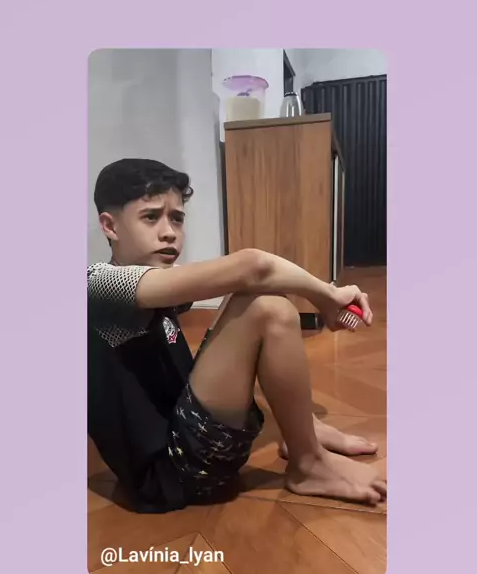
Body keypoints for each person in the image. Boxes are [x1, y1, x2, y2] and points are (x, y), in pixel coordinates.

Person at [88, 158, 386, 513]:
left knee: (251, 294)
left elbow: (250, 278)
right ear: (110, 225)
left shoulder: (153, 280)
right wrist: (327, 295)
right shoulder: (98, 283)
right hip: (169, 473)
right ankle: (310, 464)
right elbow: (254, 266)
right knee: (268, 309)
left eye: (177, 218)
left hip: (185, 432)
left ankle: (303, 429)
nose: (169, 232)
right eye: (151, 217)